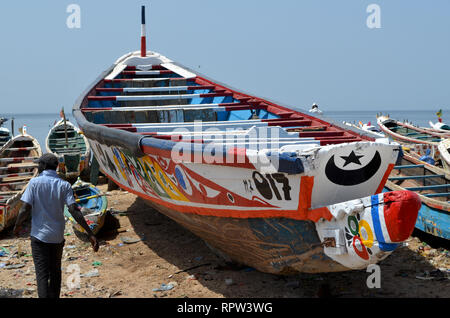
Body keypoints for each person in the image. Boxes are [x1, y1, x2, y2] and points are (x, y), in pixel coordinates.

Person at [13, 153, 99, 298]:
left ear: (44, 166)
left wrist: (17, 226)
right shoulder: (64, 185)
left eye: (39, 164)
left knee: (42, 275)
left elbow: (24, 208)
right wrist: (90, 233)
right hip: (57, 237)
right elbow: (74, 210)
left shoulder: (34, 183)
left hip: (39, 237)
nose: (38, 166)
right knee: (55, 273)